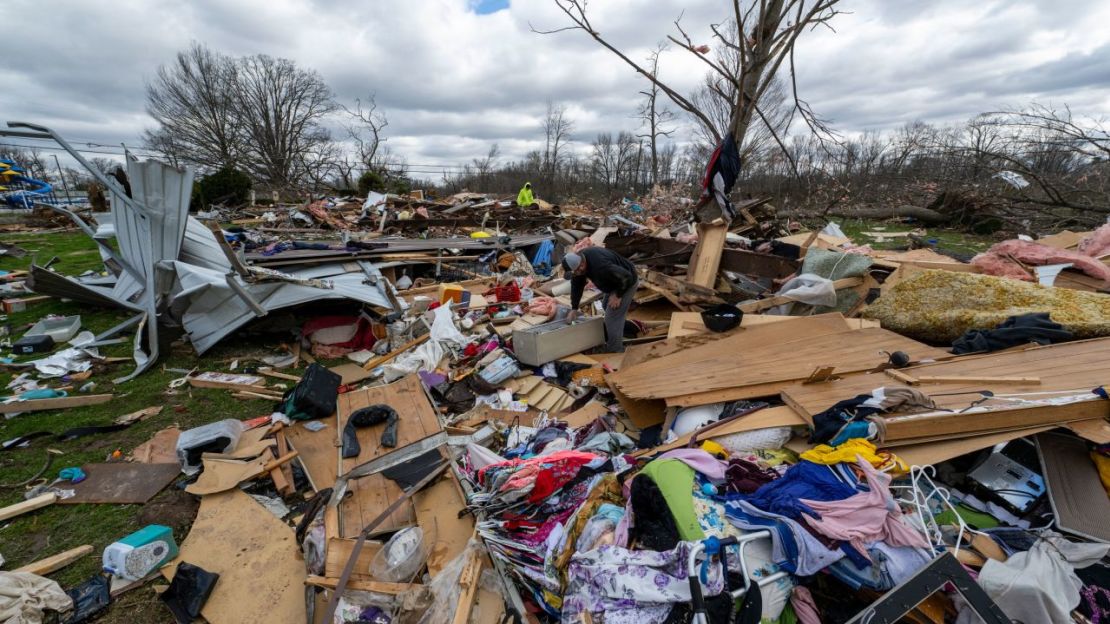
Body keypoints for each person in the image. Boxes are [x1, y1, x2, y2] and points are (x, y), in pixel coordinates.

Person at [563, 247, 638, 353]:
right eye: (575, 272)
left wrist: (618, 295)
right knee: (605, 307)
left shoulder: (601, 266)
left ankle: (615, 350)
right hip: (614, 282)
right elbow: (576, 286)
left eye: (578, 270)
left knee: (611, 318)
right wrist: (574, 308)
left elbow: (627, 277)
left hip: (627, 282)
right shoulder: (578, 268)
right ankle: (623, 330)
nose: (577, 273)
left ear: (581, 264)